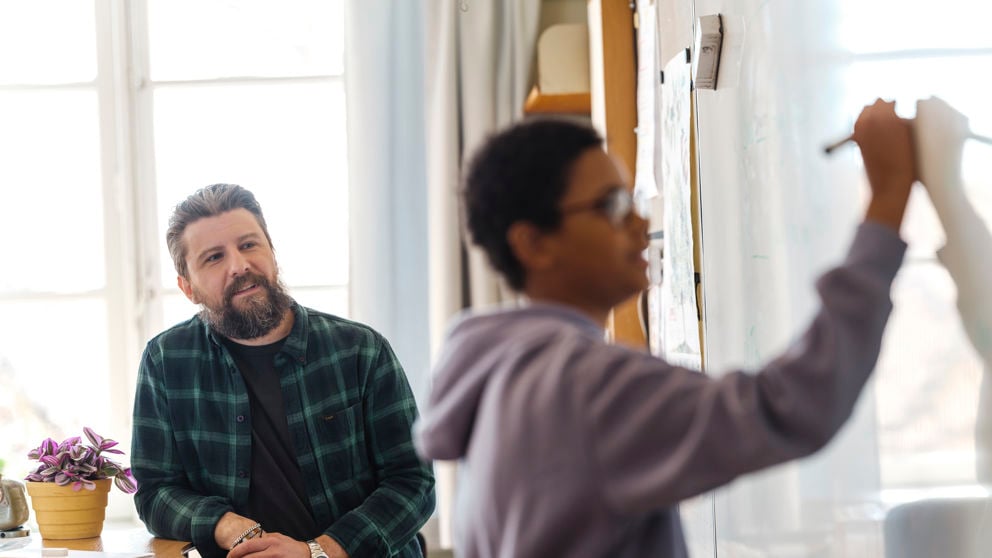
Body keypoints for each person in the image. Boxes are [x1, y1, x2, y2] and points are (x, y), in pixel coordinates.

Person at [413, 99, 916, 557]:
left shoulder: (497, 372)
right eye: (610, 206)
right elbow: (796, 405)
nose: (638, 222)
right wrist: (888, 198)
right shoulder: (585, 385)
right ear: (533, 243)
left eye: (632, 200)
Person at [131, 184, 435, 558]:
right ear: (187, 287)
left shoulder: (360, 350)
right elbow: (155, 492)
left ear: (272, 254)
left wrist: (318, 552)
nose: (239, 265)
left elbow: (413, 482)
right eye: (213, 258)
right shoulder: (165, 361)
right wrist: (228, 526)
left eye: (248, 245)